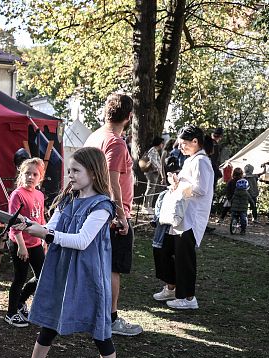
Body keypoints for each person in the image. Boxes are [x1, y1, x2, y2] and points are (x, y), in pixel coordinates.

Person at [12, 147, 119, 358]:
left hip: (88, 276)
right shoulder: (68, 200)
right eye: (69, 171)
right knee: (48, 328)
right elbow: (52, 225)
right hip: (60, 271)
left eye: (75, 171)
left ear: (93, 173)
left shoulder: (103, 206)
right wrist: (30, 225)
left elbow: (82, 241)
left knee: (101, 336)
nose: (69, 176)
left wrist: (45, 234)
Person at [84, 92, 142, 336]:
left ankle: (94, 314)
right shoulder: (115, 142)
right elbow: (112, 182)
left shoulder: (94, 136)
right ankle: (110, 319)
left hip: (91, 209)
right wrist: (120, 215)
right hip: (108, 214)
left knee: (97, 266)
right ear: (129, 117)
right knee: (112, 268)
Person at [152, 125, 214, 310]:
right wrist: (178, 183)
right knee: (166, 251)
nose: (181, 147)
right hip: (181, 217)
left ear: (195, 142)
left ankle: (188, 298)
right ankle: (172, 287)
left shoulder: (201, 161)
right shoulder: (192, 160)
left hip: (191, 218)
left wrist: (180, 184)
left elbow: (202, 189)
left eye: (183, 144)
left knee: (184, 258)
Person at [5, 157, 46, 328]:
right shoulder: (17, 195)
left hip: (36, 242)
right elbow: (14, 223)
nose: (30, 177)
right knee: (20, 278)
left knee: (42, 277)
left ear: (40, 177)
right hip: (19, 243)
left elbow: (41, 218)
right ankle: (11, 313)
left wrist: (45, 239)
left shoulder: (39, 194)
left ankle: (20, 302)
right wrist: (21, 246)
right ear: (21, 174)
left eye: (34, 174)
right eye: (27, 173)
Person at [143, 136, 165, 211]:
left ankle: (149, 205)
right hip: (151, 172)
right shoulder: (152, 150)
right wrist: (157, 169)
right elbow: (153, 161)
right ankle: (145, 206)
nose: (163, 145)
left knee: (152, 189)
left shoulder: (155, 150)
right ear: (159, 143)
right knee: (150, 188)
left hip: (155, 172)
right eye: (162, 143)